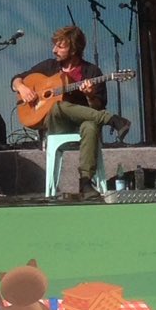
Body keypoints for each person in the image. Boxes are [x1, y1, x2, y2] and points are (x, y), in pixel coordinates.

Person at [10, 24, 131, 200]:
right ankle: (112, 120)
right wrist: (22, 88)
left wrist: (89, 96)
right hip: (55, 123)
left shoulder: (92, 72)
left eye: (60, 46)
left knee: (90, 126)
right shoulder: (49, 66)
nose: (54, 50)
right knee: (58, 106)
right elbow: (16, 79)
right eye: (55, 45)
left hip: (80, 123)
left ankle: (85, 181)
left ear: (74, 49)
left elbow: (97, 106)